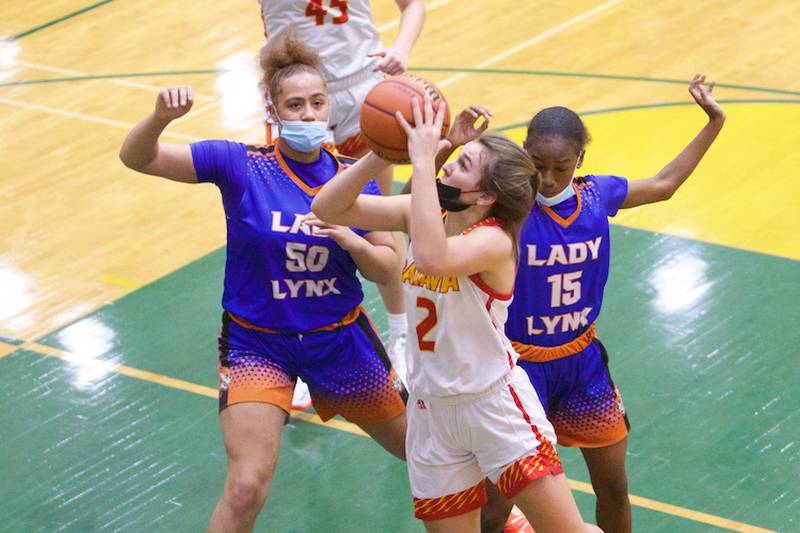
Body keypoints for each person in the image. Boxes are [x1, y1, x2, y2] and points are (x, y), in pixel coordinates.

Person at [119, 30, 408, 532]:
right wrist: (160, 118)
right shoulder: (241, 165)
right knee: (247, 484)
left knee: (429, 455)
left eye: (317, 103)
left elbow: (389, 269)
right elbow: (137, 158)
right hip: (258, 346)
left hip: (339, 341)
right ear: (273, 111)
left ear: (329, 107)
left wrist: (351, 239)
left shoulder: (350, 179)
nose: (308, 114)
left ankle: (507, 517)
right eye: (294, 105)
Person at [312, 94, 601, 533]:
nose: (448, 165)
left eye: (462, 165)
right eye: (454, 159)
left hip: (494, 404)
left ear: (485, 195)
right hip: (431, 412)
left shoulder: (495, 240)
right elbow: (327, 208)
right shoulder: (424, 213)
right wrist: (382, 152)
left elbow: (432, 258)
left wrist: (425, 161)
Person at [476, 74, 726, 533]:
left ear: (580, 161)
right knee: (494, 502)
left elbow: (665, 183)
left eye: (561, 167)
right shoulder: (507, 204)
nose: (548, 179)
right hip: (515, 369)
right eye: (537, 165)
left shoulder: (599, 194)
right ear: (523, 155)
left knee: (612, 487)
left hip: (582, 363)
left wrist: (714, 121)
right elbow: (423, 205)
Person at [260, 0, 427, 398]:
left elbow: (412, 5)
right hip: (297, 93)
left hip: (363, 84)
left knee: (382, 219)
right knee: (296, 223)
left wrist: (401, 49)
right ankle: (297, 348)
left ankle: (402, 335)